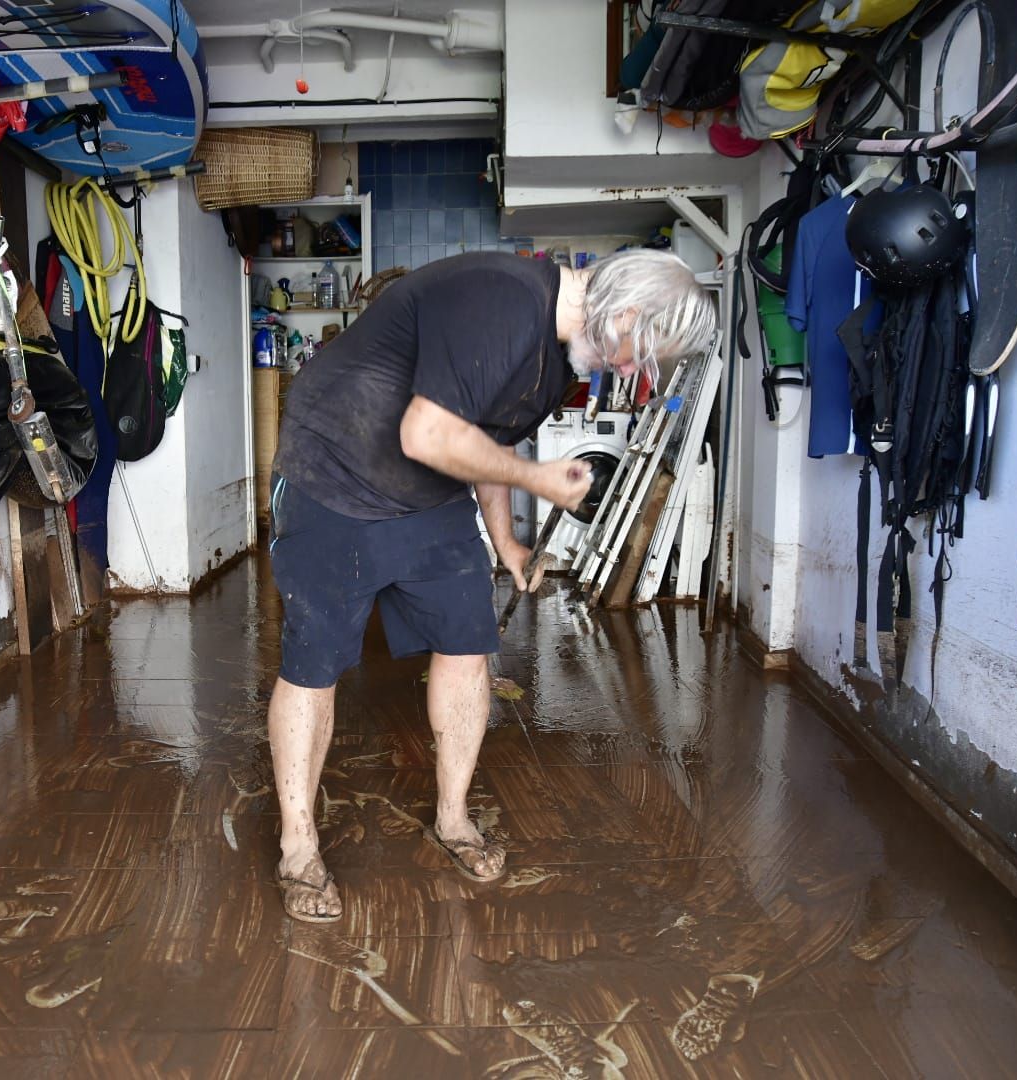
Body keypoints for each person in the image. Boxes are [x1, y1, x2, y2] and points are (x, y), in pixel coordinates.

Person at [266, 248, 716, 922]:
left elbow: (482, 440)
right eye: (638, 354)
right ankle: (297, 847)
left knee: (468, 644)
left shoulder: (557, 356)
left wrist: (505, 539)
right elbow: (430, 433)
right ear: (624, 314)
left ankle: (452, 819)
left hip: (429, 496)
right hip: (335, 473)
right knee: (315, 661)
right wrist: (538, 482)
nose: (630, 372)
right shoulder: (502, 300)